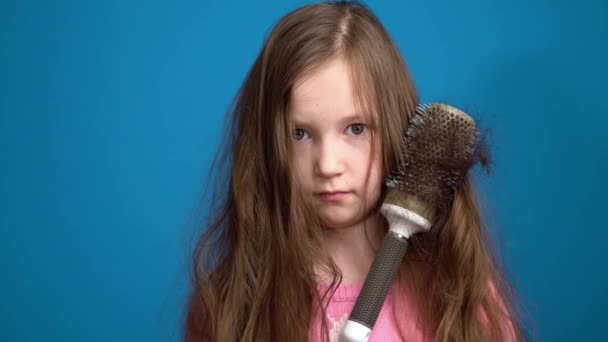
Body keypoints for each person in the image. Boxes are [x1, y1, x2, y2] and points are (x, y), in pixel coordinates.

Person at [185, 1, 525, 341]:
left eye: (356, 129)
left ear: (394, 128)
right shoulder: (232, 302)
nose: (328, 165)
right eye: (299, 134)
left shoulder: (456, 290)